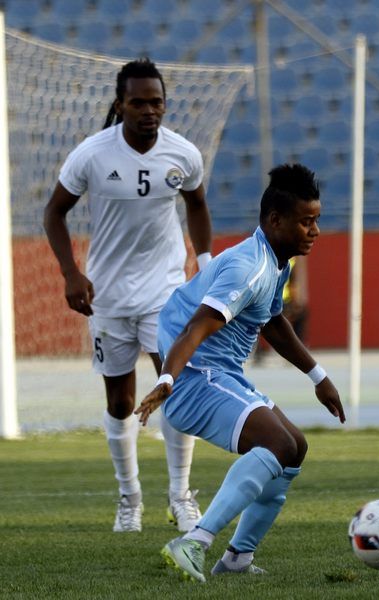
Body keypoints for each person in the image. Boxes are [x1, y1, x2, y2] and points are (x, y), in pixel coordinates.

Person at [134, 163, 345, 583]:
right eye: (306, 221)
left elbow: (273, 322)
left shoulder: (276, 262)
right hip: (194, 379)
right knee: (276, 443)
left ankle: (237, 558)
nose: (315, 231)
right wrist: (166, 380)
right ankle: (193, 541)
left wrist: (318, 376)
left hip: (218, 375)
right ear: (275, 220)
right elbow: (196, 328)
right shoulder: (249, 267)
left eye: (317, 220)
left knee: (295, 448)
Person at [43, 58, 213, 533]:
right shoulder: (92, 154)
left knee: (175, 388)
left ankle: (180, 496)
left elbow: (198, 204)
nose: (148, 111)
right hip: (109, 295)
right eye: (138, 102)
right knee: (121, 401)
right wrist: (70, 273)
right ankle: (129, 498)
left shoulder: (183, 153)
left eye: (156, 102)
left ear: (165, 105)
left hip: (165, 291)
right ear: (120, 105)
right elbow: (54, 213)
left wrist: (204, 264)